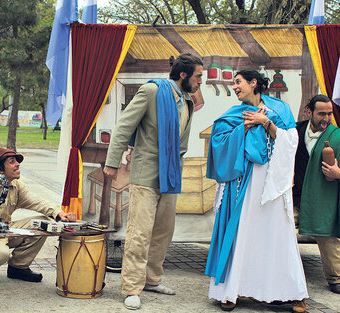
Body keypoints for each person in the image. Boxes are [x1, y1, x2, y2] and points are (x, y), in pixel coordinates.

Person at [103, 53, 203, 310]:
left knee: (163, 231)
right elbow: (123, 127)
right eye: (198, 76)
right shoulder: (151, 91)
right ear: (183, 75)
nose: (200, 81)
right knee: (140, 232)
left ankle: (152, 279)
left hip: (171, 174)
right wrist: (112, 163)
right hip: (146, 171)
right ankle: (131, 287)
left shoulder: (187, 101)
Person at [205, 69, 308, 312]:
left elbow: (291, 142)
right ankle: (231, 291)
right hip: (244, 183)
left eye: (238, 82)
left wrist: (265, 122)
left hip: (271, 182)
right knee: (242, 233)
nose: (235, 87)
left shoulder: (279, 110)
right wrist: (244, 129)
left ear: (253, 83)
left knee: (277, 236)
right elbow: (218, 141)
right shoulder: (234, 114)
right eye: (234, 83)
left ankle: (292, 292)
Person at [0, 148, 76, 282]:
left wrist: (58, 213)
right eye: (12, 162)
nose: (18, 164)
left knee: (43, 223)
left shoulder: (16, 185)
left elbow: (37, 201)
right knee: (0, 255)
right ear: (1, 170)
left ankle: (18, 268)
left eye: (17, 162)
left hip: (5, 229)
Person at [293, 94, 340, 294]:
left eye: (329, 114)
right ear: (309, 112)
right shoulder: (295, 131)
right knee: (277, 228)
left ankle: (336, 278)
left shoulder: (337, 136)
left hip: (322, 198)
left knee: (327, 234)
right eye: (321, 113)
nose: (326, 119)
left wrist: (338, 173)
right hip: (295, 197)